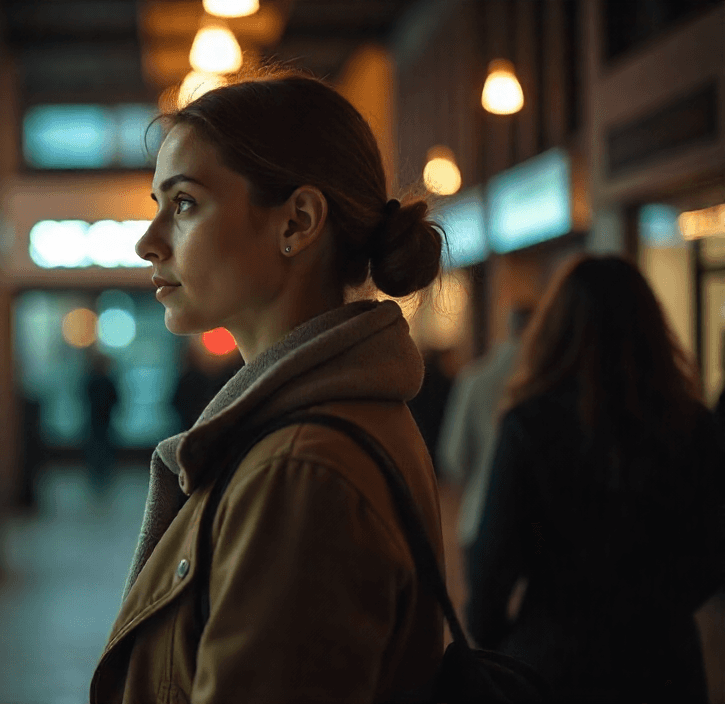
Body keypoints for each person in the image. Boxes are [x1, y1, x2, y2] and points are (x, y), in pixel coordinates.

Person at [91, 68, 447, 702]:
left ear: (297, 221)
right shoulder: (335, 419)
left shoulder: (298, 470)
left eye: (184, 204)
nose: (148, 243)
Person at [465, 256, 725, 703]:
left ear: (555, 332)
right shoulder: (693, 425)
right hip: (665, 666)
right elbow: (714, 553)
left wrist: (506, 641)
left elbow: (491, 569)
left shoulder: (529, 426)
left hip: (555, 665)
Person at [438, 306, 534, 550]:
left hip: (478, 516)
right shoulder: (547, 381)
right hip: (538, 528)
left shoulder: (473, 380)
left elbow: (453, 457)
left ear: (508, 328)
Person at [84, 350, 120, 493]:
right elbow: (116, 399)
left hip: (95, 420)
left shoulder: (91, 380)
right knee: (104, 445)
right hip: (105, 420)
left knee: (96, 445)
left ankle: (97, 471)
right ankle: (103, 471)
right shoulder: (107, 380)